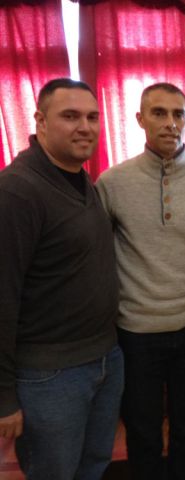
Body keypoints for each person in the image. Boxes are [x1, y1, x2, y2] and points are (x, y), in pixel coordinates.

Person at [96, 82, 185, 480]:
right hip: (135, 333)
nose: (170, 123)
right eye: (159, 113)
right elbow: (99, 261)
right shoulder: (112, 183)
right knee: (142, 434)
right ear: (140, 119)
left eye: (179, 114)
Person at [0, 78, 123, 479]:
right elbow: (3, 296)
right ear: (40, 120)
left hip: (103, 358)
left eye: (92, 116)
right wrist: (3, 397)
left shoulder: (79, 176)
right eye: (70, 116)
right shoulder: (17, 191)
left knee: (93, 466)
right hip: (49, 375)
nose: (84, 127)